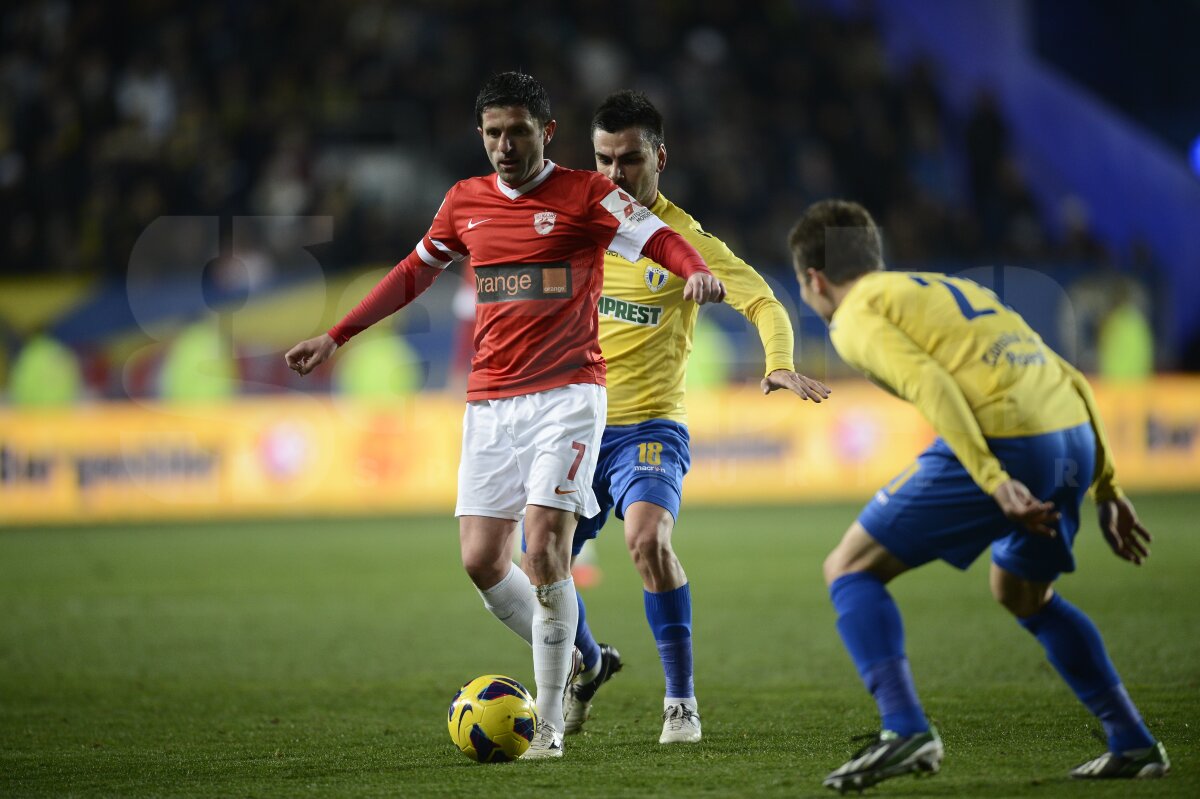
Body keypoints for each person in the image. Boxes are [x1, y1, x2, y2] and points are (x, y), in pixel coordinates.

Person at [285, 73, 726, 759]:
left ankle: (546, 726)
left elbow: (659, 236)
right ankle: (583, 656)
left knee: (545, 545)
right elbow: (411, 272)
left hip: (568, 397)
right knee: (482, 560)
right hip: (490, 403)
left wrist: (694, 268)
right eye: (491, 133)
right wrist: (335, 335)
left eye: (516, 132)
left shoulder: (586, 194)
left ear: (545, 133)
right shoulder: (464, 202)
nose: (502, 145)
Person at [786, 199, 1168, 791]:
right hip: (1070, 436)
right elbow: (1065, 372)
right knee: (1022, 592)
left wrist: (993, 477)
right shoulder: (936, 288)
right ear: (873, 257)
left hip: (1009, 438)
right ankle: (1132, 741)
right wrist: (1107, 485)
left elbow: (929, 382)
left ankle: (904, 728)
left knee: (849, 567)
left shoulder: (856, 316)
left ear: (814, 280)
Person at [540, 90, 831, 744]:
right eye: (603, 160)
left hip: (648, 429)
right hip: (576, 430)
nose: (615, 175)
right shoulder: (578, 225)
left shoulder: (684, 242)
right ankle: (589, 661)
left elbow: (766, 301)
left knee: (648, 541)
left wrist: (778, 360)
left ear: (660, 158)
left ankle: (680, 701)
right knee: (538, 561)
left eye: (631, 160)